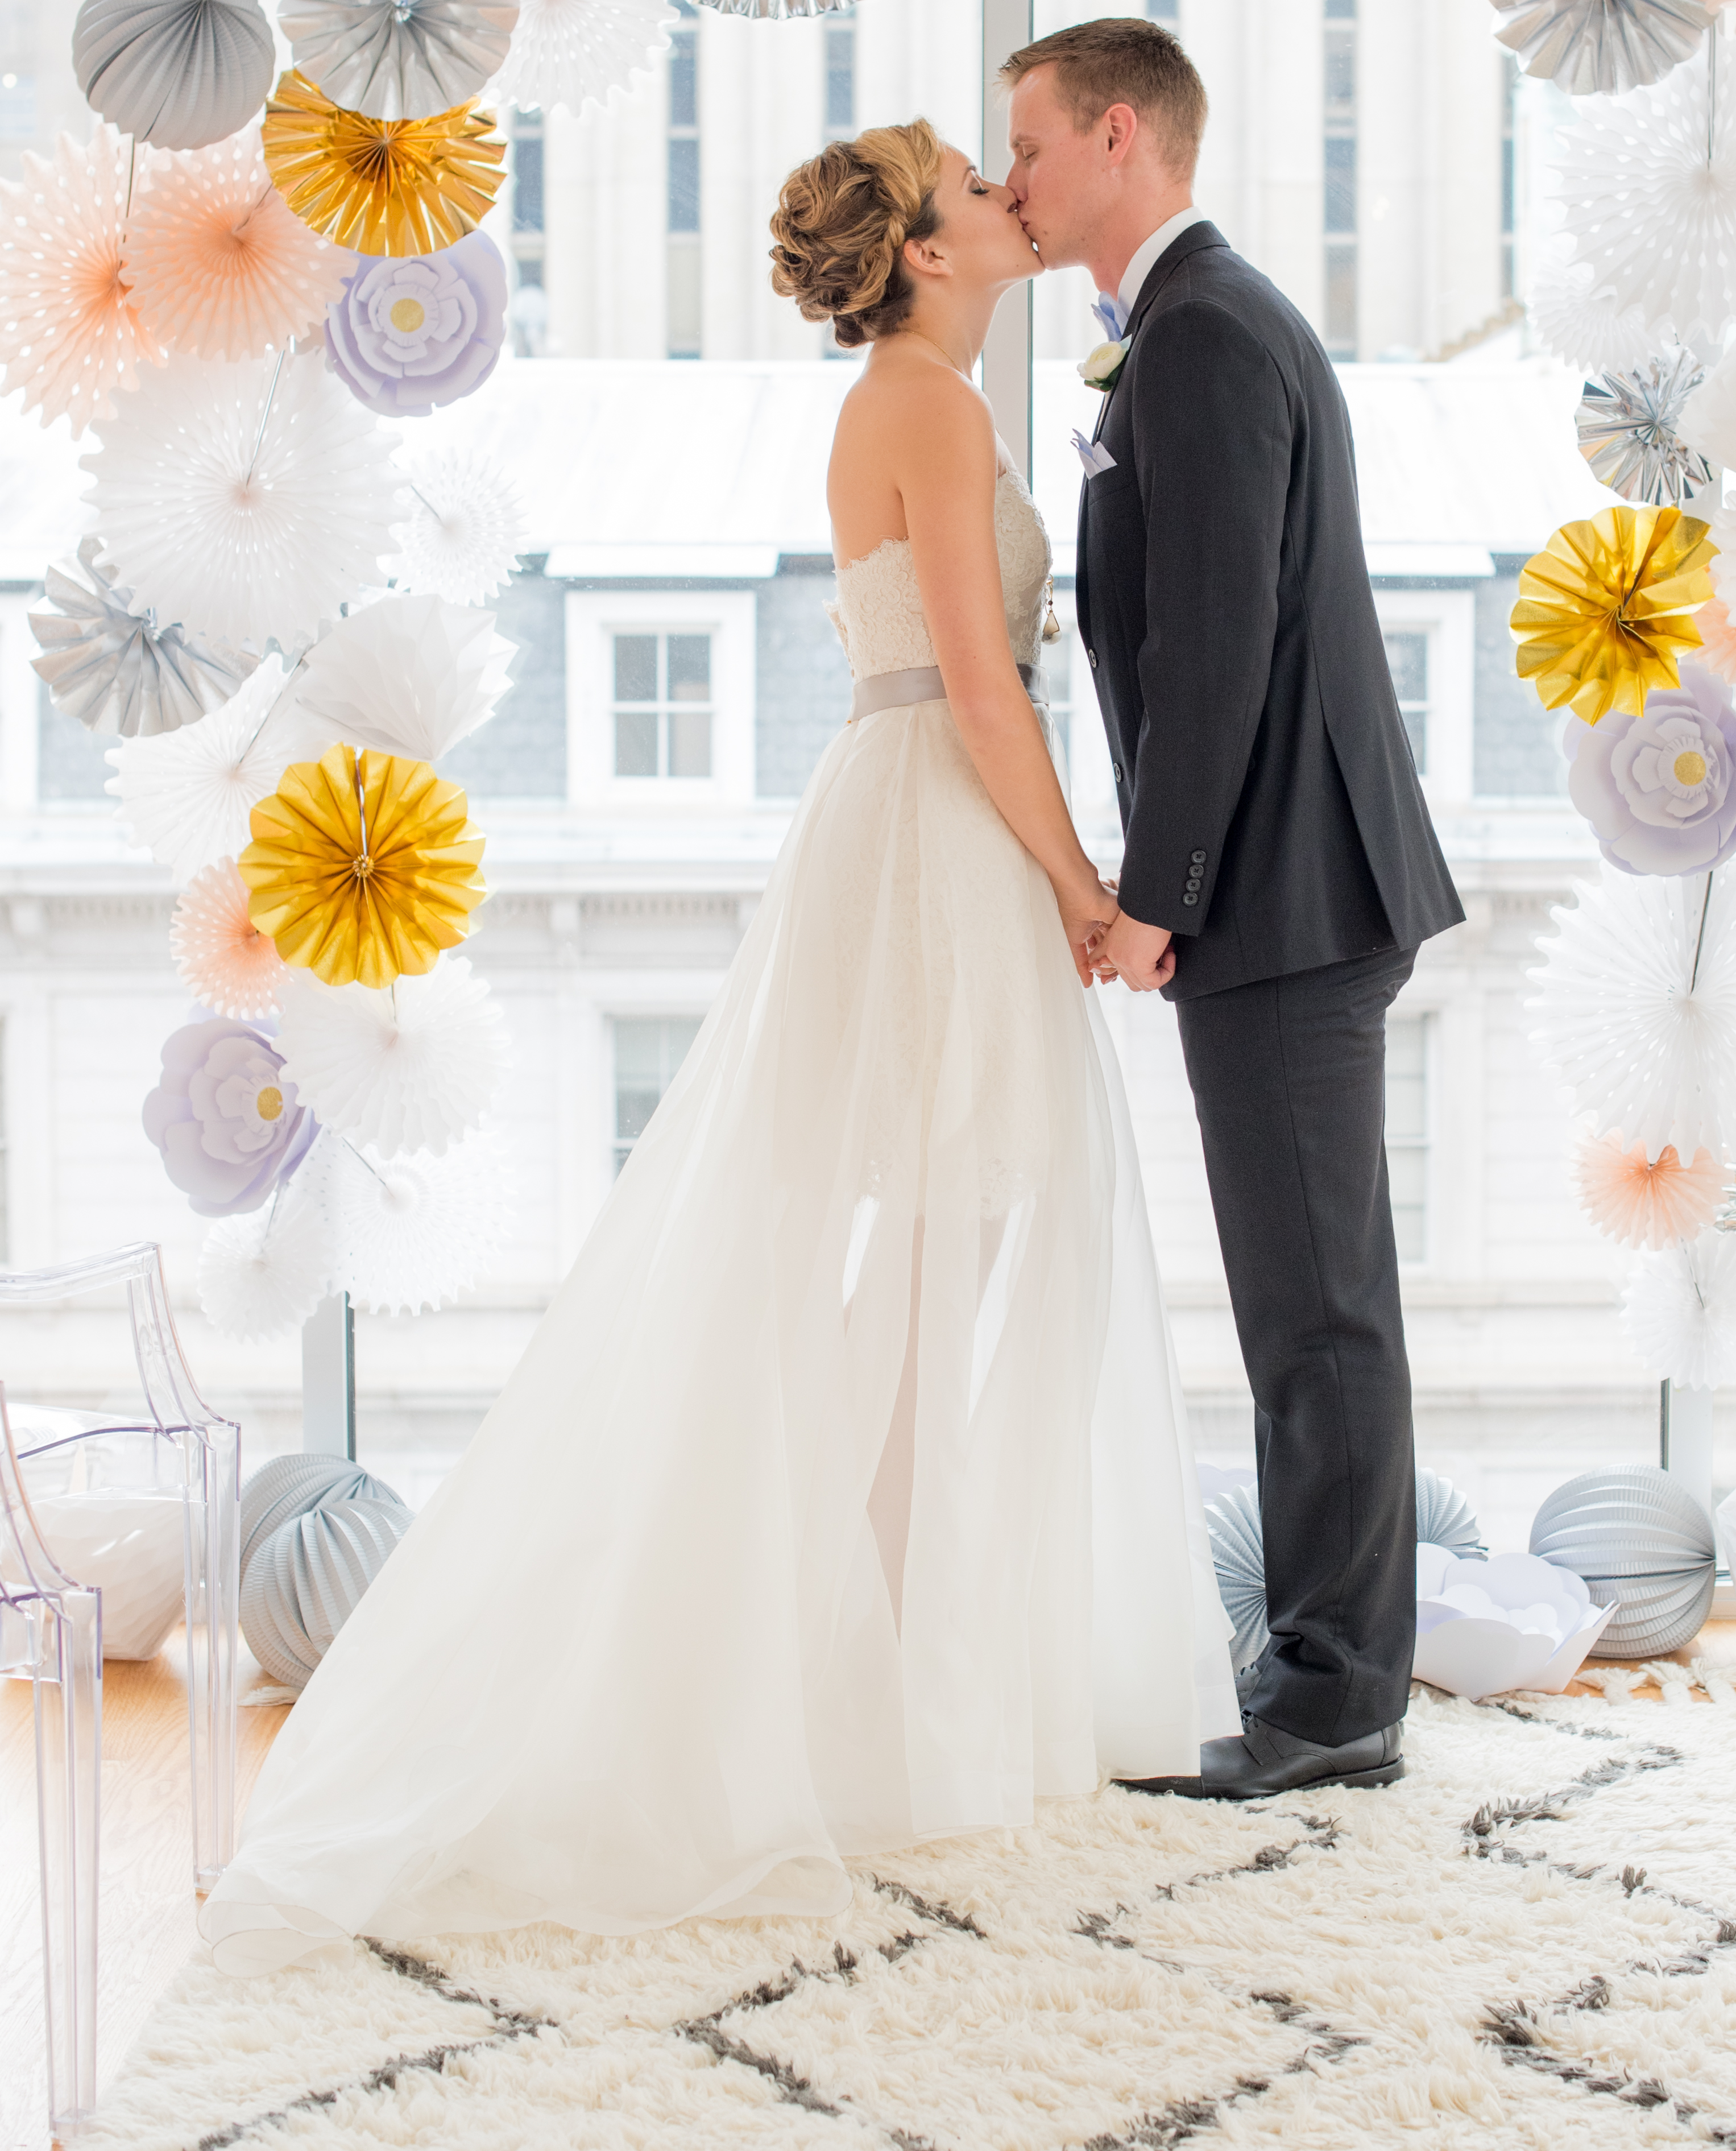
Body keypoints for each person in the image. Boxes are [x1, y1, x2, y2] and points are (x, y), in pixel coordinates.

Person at [200, 120, 1236, 1979]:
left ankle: (878, 1666)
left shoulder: (930, 397)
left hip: (930, 816)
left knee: (943, 1257)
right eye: (969, 181)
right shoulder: (927, 409)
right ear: (922, 253)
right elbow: (985, 687)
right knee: (940, 1254)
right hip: (939, 823)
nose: (1007, 190)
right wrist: (1090, 878)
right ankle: (847, 1677)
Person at [1005, 19, 1466, 1805]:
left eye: (1031, 147)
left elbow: (1212, 652)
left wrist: (1150, 900)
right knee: (1316, 1295)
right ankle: (1330, 1663)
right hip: (1286, 879)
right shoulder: (1199, 328)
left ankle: (1338, 1696)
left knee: (1317, 1308)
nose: (1017, 183)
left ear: (1121, 138)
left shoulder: (1199, 336)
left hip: (1278, 892)